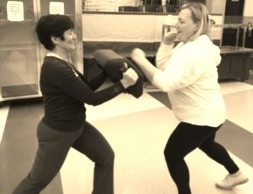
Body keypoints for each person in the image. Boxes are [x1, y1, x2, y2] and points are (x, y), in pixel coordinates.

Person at [131, 3, 248, 194]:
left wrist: (141, 60)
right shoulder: (187, 45)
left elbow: (166, 82)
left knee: (173, 154)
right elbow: (163, 66)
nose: (176, 24)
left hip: (201, 117)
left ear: (197, 25)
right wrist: (167, 43)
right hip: (210, 113)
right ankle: (236, 174)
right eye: (177, 19)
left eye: (181, 21)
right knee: (207, 144)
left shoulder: (196, 52)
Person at [13, 14, 138, 194]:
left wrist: (107, 71)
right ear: (55, 39)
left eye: (73, 32)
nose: (74, 36)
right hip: (58, 133)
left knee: (106, 157)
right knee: (36, 182)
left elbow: (86, 87)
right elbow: (91, 98)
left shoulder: (64, 62)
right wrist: (123, 85)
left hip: (77, 126)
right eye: (70, 33)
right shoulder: (55, 67)